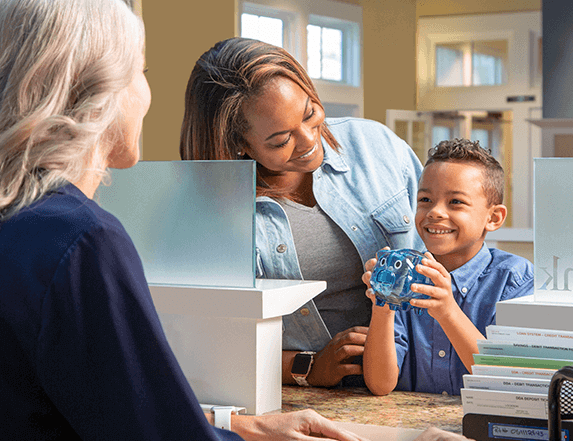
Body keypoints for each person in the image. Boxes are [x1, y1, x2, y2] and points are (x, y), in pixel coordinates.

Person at [0, 1, 368, 439]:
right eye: (143, 72)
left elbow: (100, 405)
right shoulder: (83, 241)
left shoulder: (22, 223)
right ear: (99, 94)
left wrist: (244, 426)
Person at [180, 37, 424, 388]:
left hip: (415, 380)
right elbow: (201, 340)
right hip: (296, 399)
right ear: (237, 144)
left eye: (310, 113)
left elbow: (446, 257)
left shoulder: (376, 146)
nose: (310, 140)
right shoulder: (209, 212)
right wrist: (305, 368)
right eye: (280, 141)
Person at [362, 139, 534, 396]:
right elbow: (380, 384)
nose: (435, 212)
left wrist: (448, 312)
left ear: (494, 217)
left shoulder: (516, 279)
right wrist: (383, 308)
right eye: (425, 199)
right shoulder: (404, 278)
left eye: (456, 202)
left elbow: (505, 380)